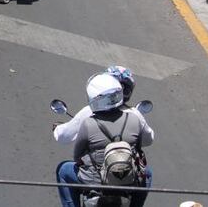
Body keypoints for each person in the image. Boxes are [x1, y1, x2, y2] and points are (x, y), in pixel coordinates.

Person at [56, 73, 154, 207]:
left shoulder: (88, 123)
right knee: (147, 173)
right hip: (127, 179)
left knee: (63, 170)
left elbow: (77, 156)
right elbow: (139, 148)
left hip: (94, 181)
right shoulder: (134, 119)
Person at [54, 66, 151, 144]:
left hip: (95, 167)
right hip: (128, 165)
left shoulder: (88, 112)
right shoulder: (135, 114)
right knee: (147, 169)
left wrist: (57, 129)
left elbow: (63, 136)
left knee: (64, 167)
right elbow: (148, 140)